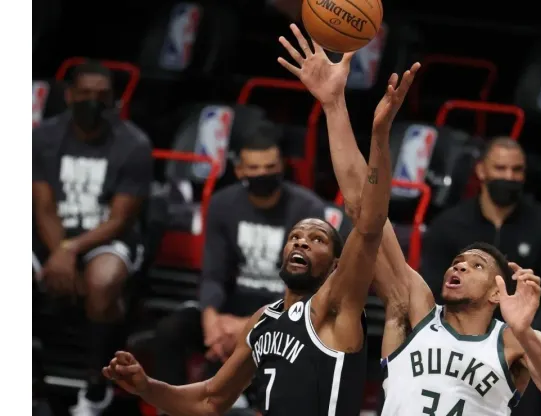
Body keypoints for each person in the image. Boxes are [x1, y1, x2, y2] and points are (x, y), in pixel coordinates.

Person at [102, 28, 414, 415]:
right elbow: (210, 399)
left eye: (317, 238)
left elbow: (368, 221)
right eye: (297, 236)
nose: (301, 241)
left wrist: (373, 132)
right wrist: (147, 387)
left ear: (337, 265)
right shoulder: (262, 322)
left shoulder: (337, 304)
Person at [280, 24, 541, 415]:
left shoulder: (515, 341)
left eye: (476, 266)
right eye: (459, 261)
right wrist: (335, 107)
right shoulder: (416, 307)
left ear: (497, 293)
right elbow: (363, 207)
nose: (459, 266)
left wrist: (524, 330)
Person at [150, 122, 351, 398]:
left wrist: (246, 326)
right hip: (228, 314)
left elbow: (306, 288)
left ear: (282, 166)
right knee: (169, 331)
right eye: (254, 168)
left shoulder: (307, 208)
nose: (262, 174)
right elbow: (213, 274)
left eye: (269, 167)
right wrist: (212, 321)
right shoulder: (222, 204)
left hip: (282, 313)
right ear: (239, 170)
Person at [32, 60, 153, 416]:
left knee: (102, 281)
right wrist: (60, 253)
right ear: (68, 96)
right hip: (50, 235)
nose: (92, 102)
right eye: (84, 94)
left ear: (114, 100)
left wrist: (69, 251)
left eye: (102, 96)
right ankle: (30, 385)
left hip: (106, 238)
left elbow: (119, 219)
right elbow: (43, 207)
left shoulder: (133, 144)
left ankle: (95, 386)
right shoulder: (43, 137)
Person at [421, 137, 541, 415]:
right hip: (453, 335)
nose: (509, 177)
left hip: (519, 338)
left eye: (517, 170)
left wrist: (519, 335)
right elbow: (430, 289)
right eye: (501, 168)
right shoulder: (449, 224)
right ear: (481, 171)